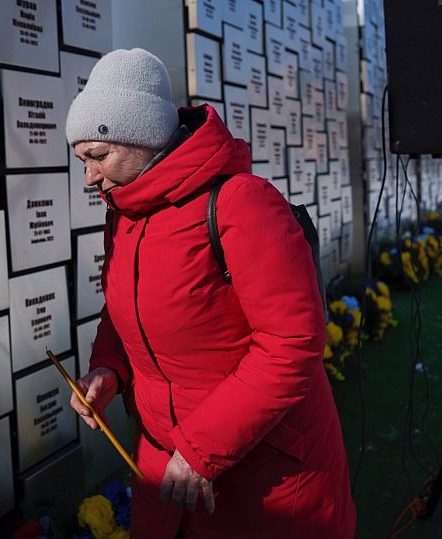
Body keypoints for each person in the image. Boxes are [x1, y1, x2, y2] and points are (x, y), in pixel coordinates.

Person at [66, 48, 356, 539]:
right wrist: (108, 368)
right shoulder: (124, 211)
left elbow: (292, 343)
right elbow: (125, 310)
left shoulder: (242, 201)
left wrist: (204, 447)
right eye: (82, 160)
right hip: (165, 469)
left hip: (265, 478)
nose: (90, 176)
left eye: (98, 156)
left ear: (144, 136)